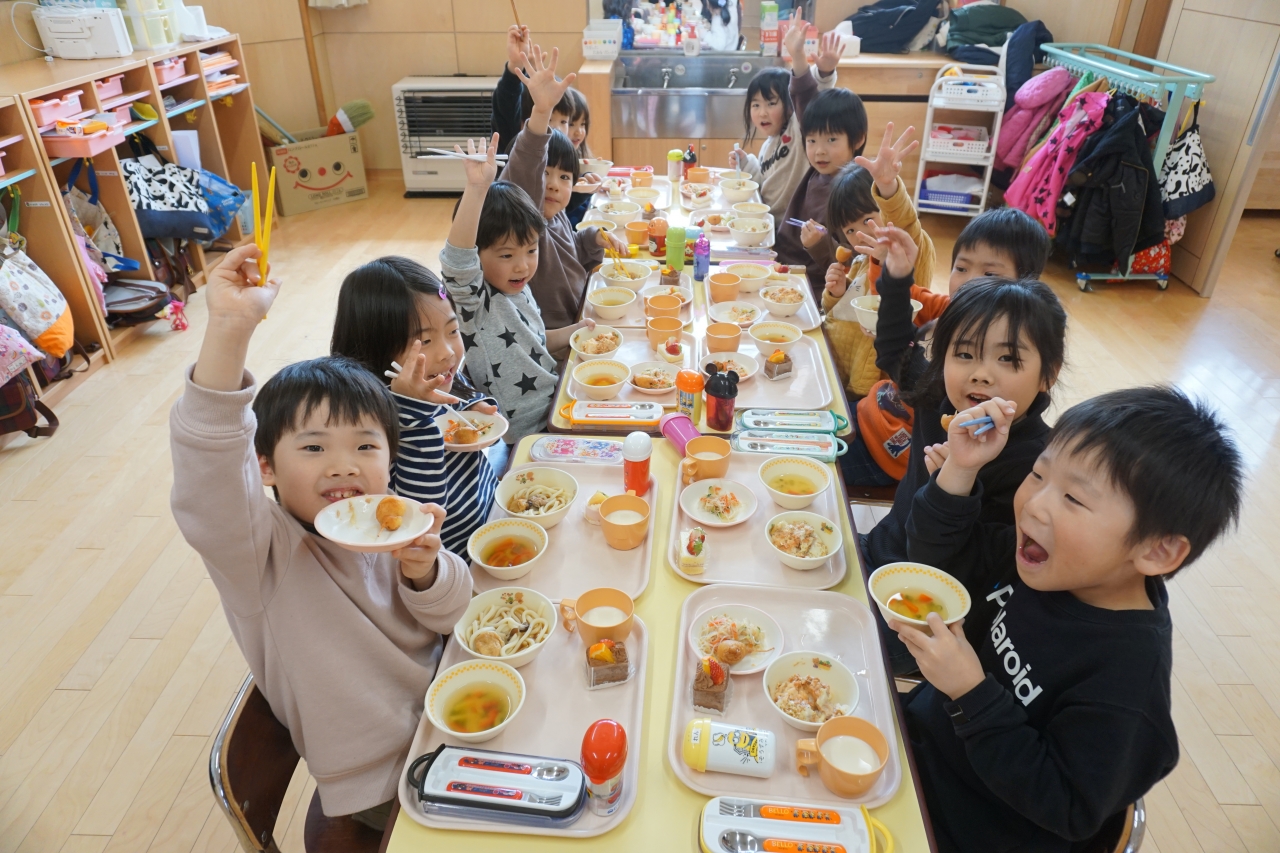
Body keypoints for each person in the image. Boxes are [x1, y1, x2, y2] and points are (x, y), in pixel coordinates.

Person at [169, 244, 473, 831]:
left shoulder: (382, 516)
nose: (343, 466)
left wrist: (427, 574)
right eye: (313, 447)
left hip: (445, 712)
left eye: (365, 445)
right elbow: (210, 481)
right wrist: (231, 329)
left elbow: (455, 612)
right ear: (264, 466)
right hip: (387, 772)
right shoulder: (261, 552)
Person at [894, 386, 1243, 853]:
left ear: (1157, 550)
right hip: (913, 750)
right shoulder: (1047, 564)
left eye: (1074, 499)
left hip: (957, 829)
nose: (1035, 504)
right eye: (1038, 474)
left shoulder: (1127, 682)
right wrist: (960, 468)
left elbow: (1067, 807)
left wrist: (970, 693)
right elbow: (938, 562)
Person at [862, 244, 1067, 671]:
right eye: (964, 354)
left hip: (924, 619)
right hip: (879, 553)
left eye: (1008, 358)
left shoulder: (1038, 468)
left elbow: (965, 572)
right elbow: (894, 349)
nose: (981, 373)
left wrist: (955, 484)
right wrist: (896, 278)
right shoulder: (938, 393)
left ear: (1048, 373)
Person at [330, 256, 500, 561]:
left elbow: (460, 392)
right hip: (455, 557)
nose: (447, 352)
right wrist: (414, 415)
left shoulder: (437, 375)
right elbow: (421, 512)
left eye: (452, 331)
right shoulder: (372, 426)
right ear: (376, 349)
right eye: (425, 340)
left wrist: (475, 406)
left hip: (492, 511)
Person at [441, 133, 594, 445]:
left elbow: (534, 341)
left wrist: (576, 331)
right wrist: (476, 189)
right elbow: (457, 261)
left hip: (557, 406)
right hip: (526, 435)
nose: (522, 266)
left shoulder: (518, 288)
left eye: (531, 251)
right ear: (477, 255)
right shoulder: (475, 300)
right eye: (507, 255)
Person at [504, 44, 627, 337]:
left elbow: (571, 250)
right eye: (544, 174)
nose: (553, 184)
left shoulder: (557, 216)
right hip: (555, 336)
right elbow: (525, 165)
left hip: (582, 314)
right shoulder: (529, 221)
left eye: (564, 177)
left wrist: (594, 237)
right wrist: (541, 111)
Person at [821, 122, 932, 406]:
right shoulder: (861, 259)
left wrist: (887, 187)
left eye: (869, 219)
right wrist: (837, 292)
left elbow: (904, 221)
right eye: (850, 229)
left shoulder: (907, 248)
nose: (862, 233)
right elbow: (847, 307)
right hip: (839, 369)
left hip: (871, 382)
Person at [730, 9, 840, 218]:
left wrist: (820, 70)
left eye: (771, 103)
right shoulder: (767, 147)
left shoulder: (798, 129)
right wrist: (747, 164)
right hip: (768, 222)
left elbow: (809, 96)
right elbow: (764, 187)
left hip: (792, 228)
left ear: (790, 106)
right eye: (755, 105)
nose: (762, 113)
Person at [491, 26, 598, 226]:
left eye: (564, 121)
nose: (557, 128)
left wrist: (582, 189)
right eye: (548, 119)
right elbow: (505, 110)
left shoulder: (561, 151)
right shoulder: (519, 149)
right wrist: (515, 68)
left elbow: (554, 208)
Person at [774, 79, 867, 293]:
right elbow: (803, 97)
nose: (819, 151)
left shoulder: (855, 191)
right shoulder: (820, 170)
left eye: (831, 140)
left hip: (816, 290)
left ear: (858, 139)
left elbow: (857, 267)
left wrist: (820, 243)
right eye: (812, 140)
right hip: (783, 268)